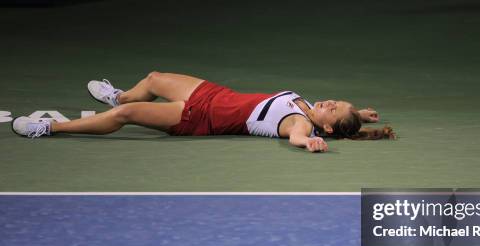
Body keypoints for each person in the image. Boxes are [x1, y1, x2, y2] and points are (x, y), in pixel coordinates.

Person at [12, 72, 395, 152]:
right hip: (214, 94)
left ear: (324, 129)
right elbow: (328, 115)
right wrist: (357, 114)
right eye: (336, 101)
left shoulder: (298, 123)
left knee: (123, 121)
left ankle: (51, 129)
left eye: (334, 110)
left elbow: (296, 134)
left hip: (203, 118)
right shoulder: (312, 109)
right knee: (155, 78)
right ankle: (121, 96)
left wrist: (307, 142)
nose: (329, 103)